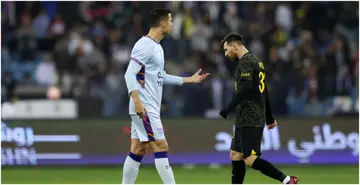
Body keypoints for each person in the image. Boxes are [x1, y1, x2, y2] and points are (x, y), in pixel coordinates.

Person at [122, 8, 209, 184]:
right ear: (162, 23)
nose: (171, 24)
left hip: (148, 106)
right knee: (161, 146)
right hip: (144, 106)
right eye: (170, 21)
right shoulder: (144, 45)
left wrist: (187, 80)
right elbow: (129, 74)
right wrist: (137, 101)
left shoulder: (157, 48)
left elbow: (161, 76)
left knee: (138, 149)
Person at [219, 33, 298, 184]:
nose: (226, 53)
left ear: (234, 46)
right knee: (235, 154)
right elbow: (264, 91)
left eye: (226, 49)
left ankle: (287, 180)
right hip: (245, 117)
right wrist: (269, 116)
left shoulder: (246, 62)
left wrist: (228, 108)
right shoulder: (257, 62)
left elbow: (246, 89)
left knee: (249, 159)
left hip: (250, 116)